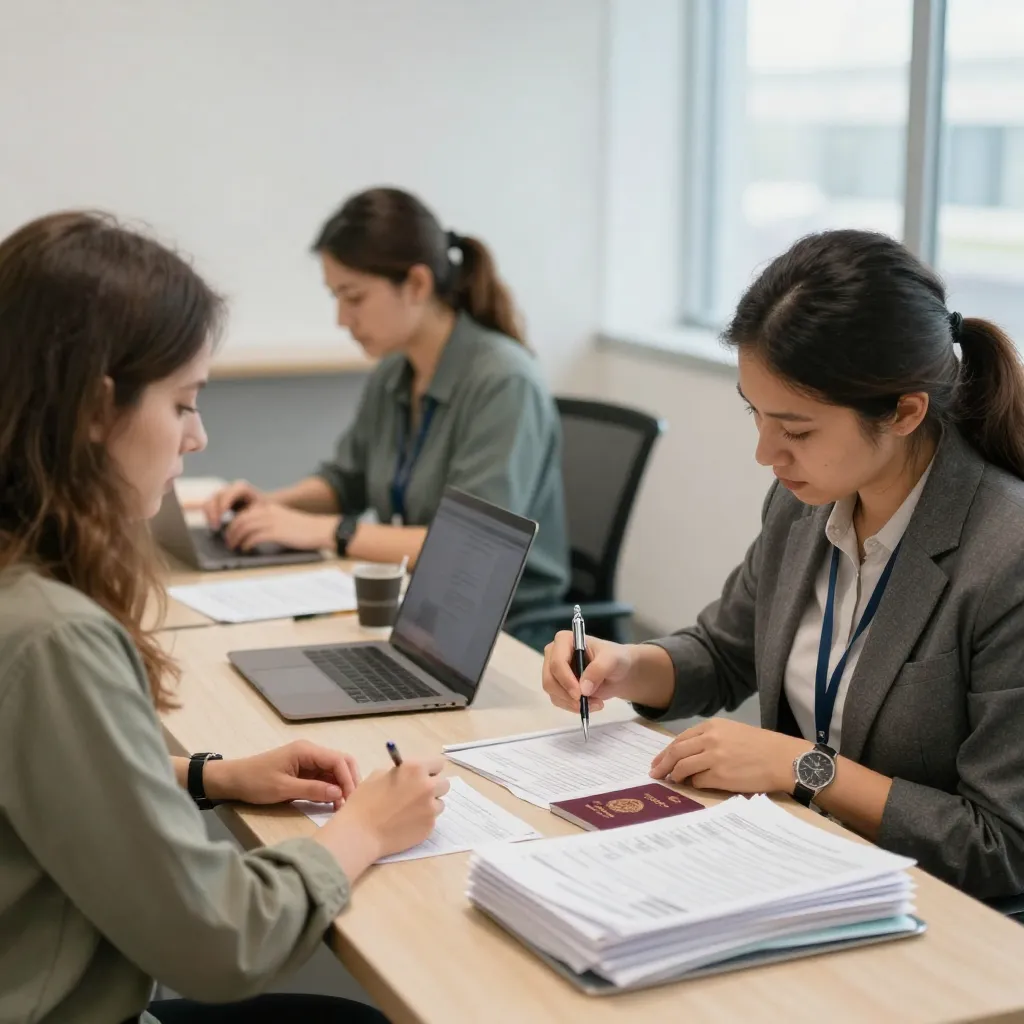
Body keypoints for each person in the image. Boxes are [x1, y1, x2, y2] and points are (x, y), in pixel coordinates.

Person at [0, 211, 450, 1024]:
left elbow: (34, 774)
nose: (198, 437)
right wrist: (365, 831)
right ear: (97, 409)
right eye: (183, 403)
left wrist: (211, 775)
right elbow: (223, 941)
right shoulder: (51, 636)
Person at [542, 228, 1024, 900]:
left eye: (796, 429)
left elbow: (1002, 847)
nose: (766, 454)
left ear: (906, 411)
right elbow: (724, 650)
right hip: (792, 867)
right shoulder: (804, 503)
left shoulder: (1006, 554)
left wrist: (806, 767)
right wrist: (626, 668)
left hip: (936, 918)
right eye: (756, 415)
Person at [203, 187, 569, 636]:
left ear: (416, 284)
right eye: (335, 296)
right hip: (421, 609)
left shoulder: (504, 383)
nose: (341, 318)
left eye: (353, 297)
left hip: (503, 633)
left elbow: (470, 551)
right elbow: (346, 481)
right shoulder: (395, 371)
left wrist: (327, 532)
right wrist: (269, 505)